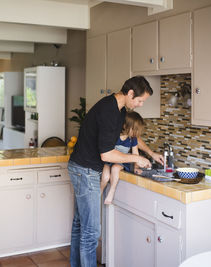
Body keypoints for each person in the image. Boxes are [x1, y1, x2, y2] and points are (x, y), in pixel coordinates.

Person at [68, 76, 164, 267]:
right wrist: (137, 158)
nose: (140, 104)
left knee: (80, 224)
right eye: (140, 100)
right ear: (130, 94)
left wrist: (150, 153)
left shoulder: (118, 110)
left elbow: (132, 137)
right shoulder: (109, 111)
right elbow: (106, 155)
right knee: (91, 231)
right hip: (85, 171)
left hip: (82, 168)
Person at [101, 111, 145, 205]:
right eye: (134, 130)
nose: (136, 133)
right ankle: (98, 195)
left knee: (116, 168)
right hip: (109, 160)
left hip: (121, 162)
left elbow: (135, 155)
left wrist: (136, 167)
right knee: (105, 177)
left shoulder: (133, 139)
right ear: (125, 126)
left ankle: (111, 192)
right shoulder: (115, 136)